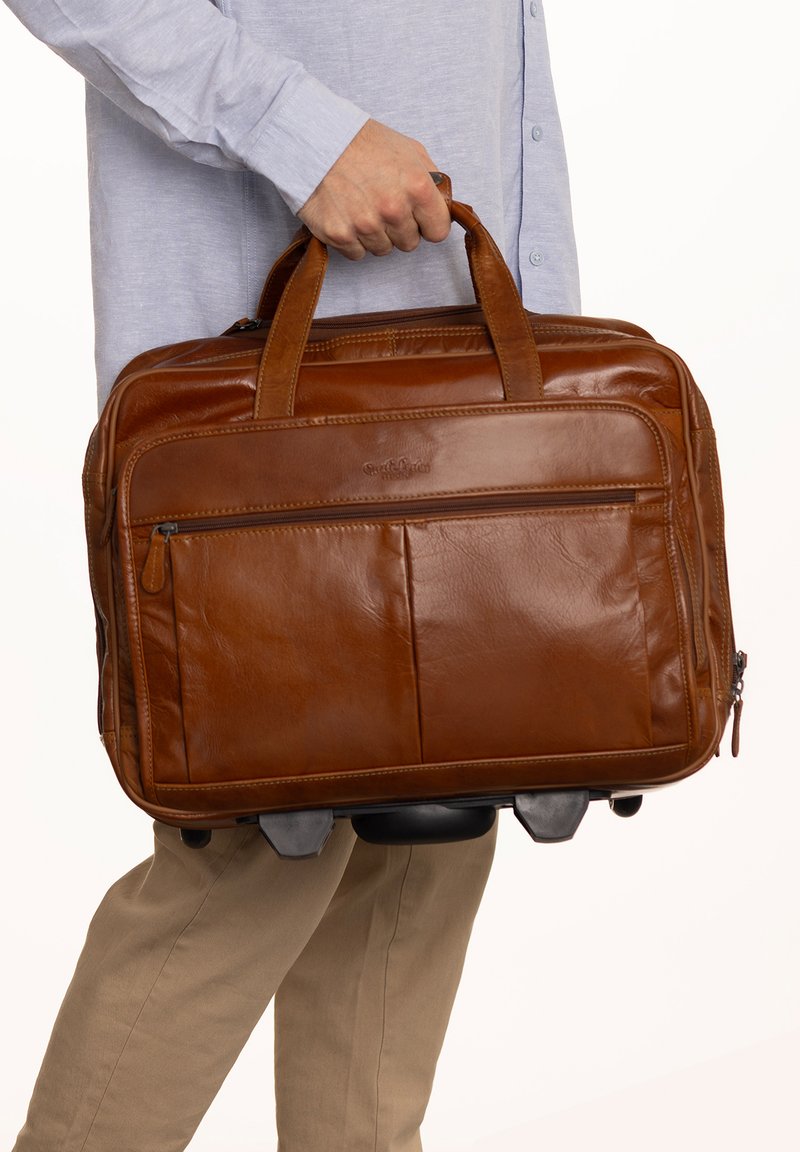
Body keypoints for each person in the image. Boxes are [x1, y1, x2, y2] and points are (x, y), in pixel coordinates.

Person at [4, 1, 581, 1149]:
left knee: (431, 835)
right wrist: (299, 133)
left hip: (465, 353)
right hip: (260, 384)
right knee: (249, 861)